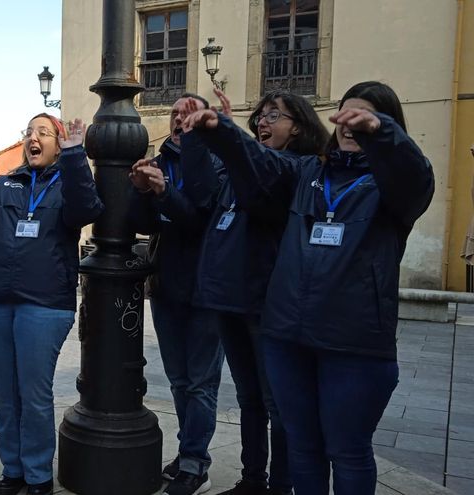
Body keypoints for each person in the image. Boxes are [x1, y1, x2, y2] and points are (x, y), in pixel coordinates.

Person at [185, 81, 435, 494]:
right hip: (287, 337)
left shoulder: (394, 187)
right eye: (346, 114)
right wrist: (221, 130)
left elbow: (415, 174)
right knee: (303, 448)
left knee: (348, 451)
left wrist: (383, 133)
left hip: (353, 344)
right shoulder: (308, 172)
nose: (351, 124)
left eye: (366, 116)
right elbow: (263, 164)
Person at [187, 89, 329, 495]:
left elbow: (263, 168)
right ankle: (253, 480)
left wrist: (230, 135)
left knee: (276, 403)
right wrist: (206, 137)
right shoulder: (242, 168)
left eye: (275, 116)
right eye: (261, 116)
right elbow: (206, 195)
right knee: (249, 397)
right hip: (228, 298)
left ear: (298, 126)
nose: (264, 122)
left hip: (265, 303)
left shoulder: (298, 168)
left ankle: (280, 486)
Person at [0, 115, 103, 495]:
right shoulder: (7, 182)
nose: (33, 138)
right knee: (3, 393)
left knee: (34, 394)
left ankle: (38, 474)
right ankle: (13, 469)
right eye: (29, 132)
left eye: (43, 133)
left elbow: (87, 209)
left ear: (58, 144)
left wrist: (76, 156)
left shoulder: (68, 181)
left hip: (45, 304)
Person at [127, 93, 226, 495]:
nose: (179, 119)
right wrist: (138, 189)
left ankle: (195, 463)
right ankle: (189, 451)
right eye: (174, 113)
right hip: (168, 287)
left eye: (188, 113)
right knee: (180, 381)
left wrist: (164, 192)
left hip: (207, 290)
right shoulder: (160, 160)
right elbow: (144, 225)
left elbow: (199, 218)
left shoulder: (217, 163)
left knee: (201, 383)